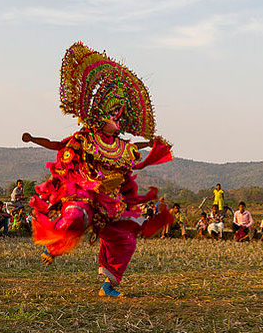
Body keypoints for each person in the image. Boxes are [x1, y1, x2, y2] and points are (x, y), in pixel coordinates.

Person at [22, 42, 173, 298]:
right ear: (100, 116)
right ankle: (53, 246)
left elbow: (135, 148)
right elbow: (58, 145)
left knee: (126, 240)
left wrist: (151, 143)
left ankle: (108, 286)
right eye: (113, 115)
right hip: (84, 193)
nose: (117, 119)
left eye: (119, 116)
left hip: (110, 203)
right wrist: (33, 139)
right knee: (75, 218)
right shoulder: (85, 139)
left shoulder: (122, 147)